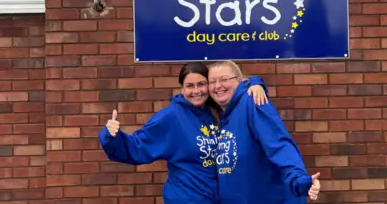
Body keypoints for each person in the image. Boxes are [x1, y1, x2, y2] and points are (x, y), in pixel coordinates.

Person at [98, 62, 268, 204]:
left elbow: (236, 86)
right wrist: (111, 136)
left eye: (201, 84)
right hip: (186, 199)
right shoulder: (171, 118)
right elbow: (136, 147)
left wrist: (255, 83)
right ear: (181, 88)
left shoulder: (219, 111)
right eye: (189, 86)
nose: (196, 91)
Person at [208, 61, 321, 203]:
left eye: (224, 79)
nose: (217, 86)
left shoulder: (253, 102)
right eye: (212, 81)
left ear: (239, 81)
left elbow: (278, 144)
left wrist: (298, 179)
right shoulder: (223, 115)